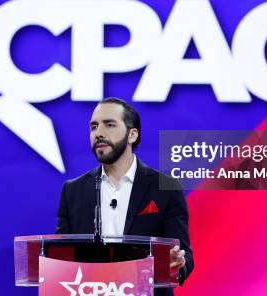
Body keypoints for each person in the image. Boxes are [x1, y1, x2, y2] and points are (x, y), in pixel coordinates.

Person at [56, 97, 194, 295]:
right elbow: (62, 256)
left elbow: (184, 254)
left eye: (109, 124)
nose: (99, 133)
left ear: (132, 135)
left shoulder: (165, 188)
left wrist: (177, 264)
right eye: (94, 127)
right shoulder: (73, 191)